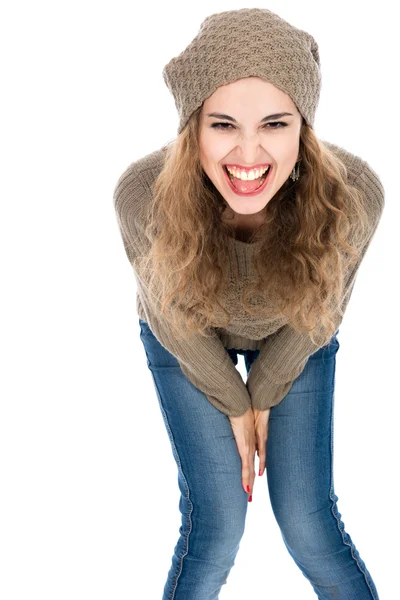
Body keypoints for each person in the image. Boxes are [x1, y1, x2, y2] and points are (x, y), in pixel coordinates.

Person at [113, 8, 384, 599]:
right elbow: (172, 321)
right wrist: (236, 405)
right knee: (216, 527)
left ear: (303, 128)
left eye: (275, 124)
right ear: (193, 128)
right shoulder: (142, 195)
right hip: (185, 329)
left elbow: (325, 308)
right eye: (223, 124)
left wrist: (266, 390)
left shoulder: (354, 193)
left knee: (309, 523)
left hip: (296, 330)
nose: (248, 152)